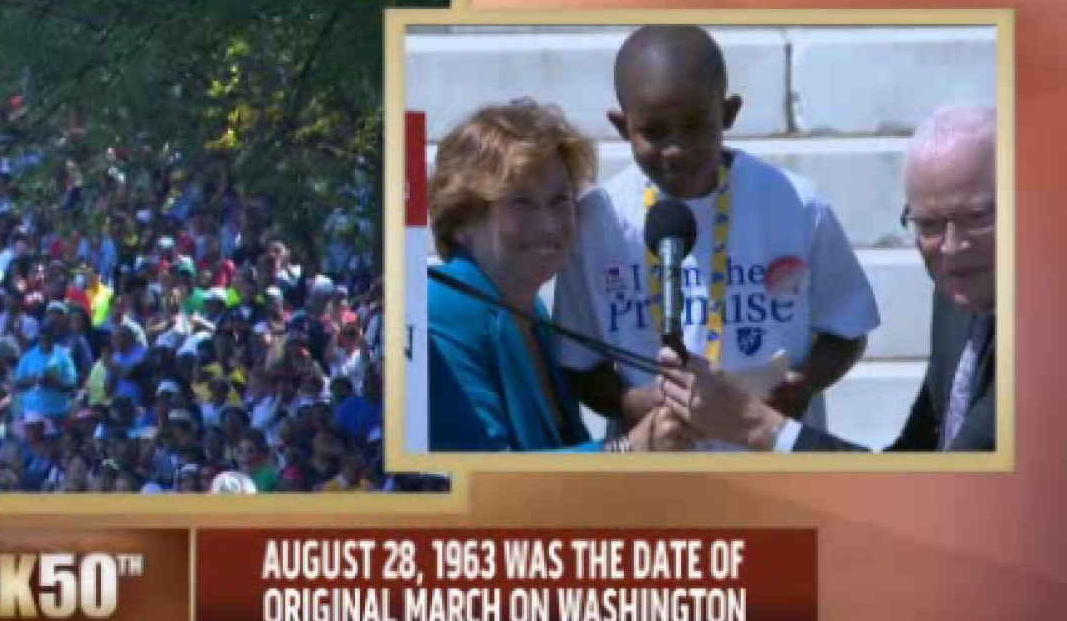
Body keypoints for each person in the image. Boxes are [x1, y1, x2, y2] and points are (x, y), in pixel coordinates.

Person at [555, 25, 880, 451]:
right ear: (621, 126)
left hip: (771, 468)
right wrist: (631, 401)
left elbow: (848, 329)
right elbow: (578, 364)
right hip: (659, 476)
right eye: (653, 131)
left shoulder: (795, 205)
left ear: (728, 113)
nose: (676, 149)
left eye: (695, 126)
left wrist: (804, 383)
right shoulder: (598, 222)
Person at [659, 106, 998, 453]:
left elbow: (958, 472)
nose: (952, 247)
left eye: (978, 216)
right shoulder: (957, 294)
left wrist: (753, 423)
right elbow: (915, 455)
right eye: (929, 223)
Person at [426, 100, 682, 452]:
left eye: (560, 199)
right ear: (461, 219)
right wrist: (631, 449)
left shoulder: (534, 314)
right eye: (521, 203)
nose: (549, 226)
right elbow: (483, 473)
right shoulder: (439, 308)